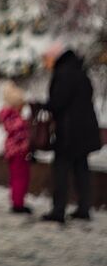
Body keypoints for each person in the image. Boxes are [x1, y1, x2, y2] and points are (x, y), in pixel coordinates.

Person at [41, 40, 102, 223]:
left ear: (55, 57)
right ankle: (84, 208)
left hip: (68, 132)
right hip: (85, 129)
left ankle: (58, 210)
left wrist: (45, 106)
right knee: (81, 168)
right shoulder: (79, 70)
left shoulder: (63, 73)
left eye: (47, 59)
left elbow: (59, 102)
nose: (45, 63)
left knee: (60, 169)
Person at [0, 81, 33, 214]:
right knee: (20, 178)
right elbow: (19, 132)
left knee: (18, 177)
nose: (22, 108)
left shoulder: (11, 117)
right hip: (18, 152)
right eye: (21, 105)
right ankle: (18, 204)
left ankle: (17, 201)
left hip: (14, 151)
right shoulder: (14, 119)